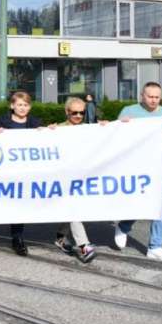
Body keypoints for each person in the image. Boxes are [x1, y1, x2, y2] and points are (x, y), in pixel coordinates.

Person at [115, 81, 162, 262]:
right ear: (142, 96)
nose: (153, 100)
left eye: (156, 97)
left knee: (160, 209)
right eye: (150, 96)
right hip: (134, 167)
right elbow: (114, 138)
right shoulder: (129, 111)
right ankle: (123, 226)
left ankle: (155, 247)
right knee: (139, 203)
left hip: (157, 167)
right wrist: (121, 125)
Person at [0, 90, 42, 256]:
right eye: (19, 105)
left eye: (26, 105)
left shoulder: (35, 123)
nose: (22, 108)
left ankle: (18, 237)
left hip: (27, 170)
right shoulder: (2, 121)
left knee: (21, 203)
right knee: (11, 203)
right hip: (7, 170)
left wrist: (50, 131)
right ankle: (16, 237)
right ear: (12, 105)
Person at [52, 97, 99, 264]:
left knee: (73, 208)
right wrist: (47, 131)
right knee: (74, 208)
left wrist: (112, 126)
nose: (78, 116)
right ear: (67, 112)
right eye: (74, 112)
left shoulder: (89, 129)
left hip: (83, 177)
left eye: (82, 112)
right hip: (63, 178)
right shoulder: (59, 129)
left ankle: (60, 237)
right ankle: (83, 246)